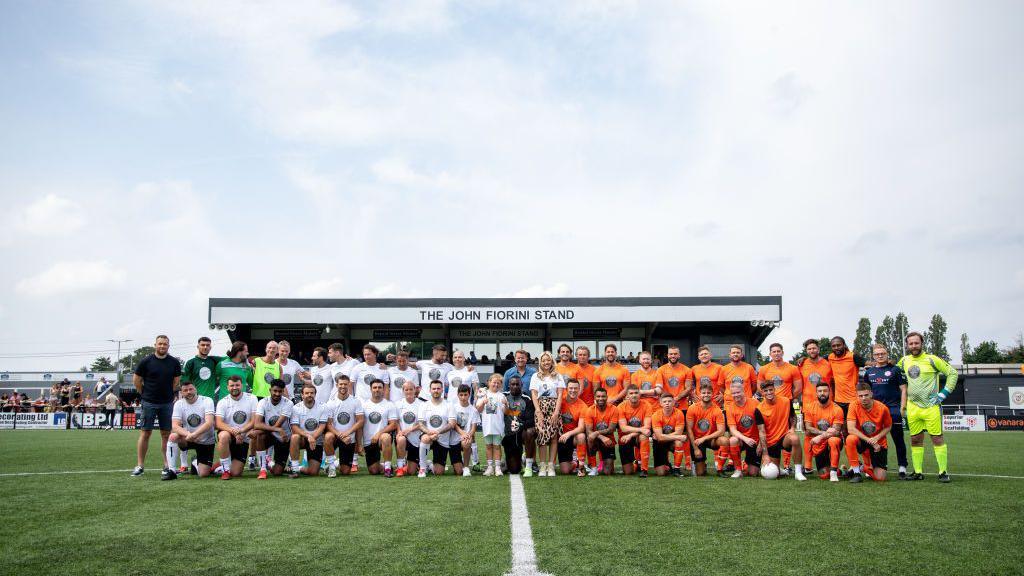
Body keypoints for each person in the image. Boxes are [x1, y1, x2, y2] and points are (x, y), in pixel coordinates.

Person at [897, 331, 958, 483]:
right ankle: (918, 472)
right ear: (907, 345)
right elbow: (894, 373)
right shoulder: (904, 361)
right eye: (910, 343)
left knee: (937, 439)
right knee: (915, 439)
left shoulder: (932, 359)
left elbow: (952, 373)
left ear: (922, 343)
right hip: (913, 407)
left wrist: (943, 394)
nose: (913, 346)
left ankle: (943, 472)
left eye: (916, 343)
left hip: (931, 406)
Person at [131, 335, 182, 480]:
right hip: (149, 402)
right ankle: (140, 465)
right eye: (160, 344)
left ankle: (167, 465)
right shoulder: (146, 361)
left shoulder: (174, 362)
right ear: (155, 345)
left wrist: (167, 394)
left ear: (168, 346)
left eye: (165, 344)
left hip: (166, 403)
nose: (162, 346)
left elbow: (176, 381)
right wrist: (144, 393)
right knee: (145, 433)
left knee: (166, 435)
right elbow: (137, 380)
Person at [863, 343, 909, 479]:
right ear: (873, 356)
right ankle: (876, 465)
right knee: (874, 440)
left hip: (893, 409)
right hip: (875, 412)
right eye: (877, 354)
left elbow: (904, 389)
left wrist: (902, 408)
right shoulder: (869, 372)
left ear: (887, 354)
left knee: (898, 439)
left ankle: (902, 467)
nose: (880, 356)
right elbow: (866, 392)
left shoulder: (895, 370)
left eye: (882, 353)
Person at [757, 343, 803, 471]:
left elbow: (798, 387)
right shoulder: (764, 369)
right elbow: (759, 386)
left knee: (789, 434)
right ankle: (778, 465)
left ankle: (789, 465)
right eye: (774, 351)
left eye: (778, 351)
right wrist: (769, 397)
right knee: (771, 434)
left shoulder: (792, 368)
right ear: (770, 354)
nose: (776, 353)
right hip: (769, 407)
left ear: (782, 352)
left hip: (785, 406)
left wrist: (786, 399)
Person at [754, 379, 807, 481]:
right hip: (771, 442)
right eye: (766, 391)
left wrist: (792, 428)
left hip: (784, 437)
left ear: (774, 389)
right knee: (774, 474)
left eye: (770, 390)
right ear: (762, 392)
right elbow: (761, 431)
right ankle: (780, 470)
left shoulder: (786, 401)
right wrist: (765, 454)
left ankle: (798, 473)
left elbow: (794, 416)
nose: (769, 393)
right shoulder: (759, 409)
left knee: (795, 439)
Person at [655, 345, 694, 471]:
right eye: (671, 354)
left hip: (682, 406)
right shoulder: (661, 370)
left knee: (685, 433)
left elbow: (688, 388)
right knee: (665, 434)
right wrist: (668, 401)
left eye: (675, 354)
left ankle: (688, 461)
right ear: (667, 355)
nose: (673, 356)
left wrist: (675, 399)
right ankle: (666, 462)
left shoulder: (687, 370)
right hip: (666, 406)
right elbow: (660, 388)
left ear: (679, 355)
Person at [846, 382, 893, 483]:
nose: (863, 398)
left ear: (871, 394)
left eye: (866, 395)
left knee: (880, 478)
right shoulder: (853, 405)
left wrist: (877, 438)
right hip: (863, 440)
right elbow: (851, 429)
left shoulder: (883, 408)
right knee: (850, 438)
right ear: (857, 396)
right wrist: (869, 440)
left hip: (878, 442)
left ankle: (863, 467)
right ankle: (856, 472)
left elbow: (888, 426)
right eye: (861, 396)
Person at [168, 380, 216, 478]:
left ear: (196, 389)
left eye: (191, 389)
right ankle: (171, 471)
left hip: (206, 441)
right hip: (188, 439)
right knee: (173, 436)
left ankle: (195, 462)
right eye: (185, 390)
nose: (188, 392)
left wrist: (194, 435)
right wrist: (189, 435)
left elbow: (209, 423)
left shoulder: (207, 400)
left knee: (203, 474)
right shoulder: (178, 404)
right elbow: (175, 426)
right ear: (181, 392)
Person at [214, 375, 258, 480]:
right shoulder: (223, 402)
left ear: (242, 385)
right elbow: (219, 424)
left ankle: (217, 466)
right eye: (232, 385)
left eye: (237, 385)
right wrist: (235, 432)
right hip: (229, 435)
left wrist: (241, 431)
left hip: (244, 437)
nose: (234, 388)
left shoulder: (252, 398)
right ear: (227, 387)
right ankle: (225, 470)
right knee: (223, 435)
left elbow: (254, 421)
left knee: (236, 473)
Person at [529, 351, 565, 477]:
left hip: (554, 407)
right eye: (543, 360)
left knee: (554, 437)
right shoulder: (535, 376)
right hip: (541, 407)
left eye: (548, 360)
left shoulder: (558, 376)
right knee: (542, 436)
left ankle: (551, 466)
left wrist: (556, 412)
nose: (546, 362)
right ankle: (542, 466)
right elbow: (534, 394)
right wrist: (538, 411)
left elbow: (560, 394)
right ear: (540, 362)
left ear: (552, 361)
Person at [802, 381, 844, 482]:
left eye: (825, 391)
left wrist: (820, 436)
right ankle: (842, 471)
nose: (822, 393)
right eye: (819, 391)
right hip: (818, 443)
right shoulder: (810, 407)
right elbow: (808, 429)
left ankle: (834, 472)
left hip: (833, 442)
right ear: (816, 393)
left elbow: (836, 431)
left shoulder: (837, 409)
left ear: (829, 392)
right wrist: (823, 434)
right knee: (824, 475)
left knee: (833, 439)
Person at [323, 374, 364, 477]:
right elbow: (329, 424)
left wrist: (347, 433)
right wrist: (341, 435)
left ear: (349, 385)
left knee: (345, 472)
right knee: (328, 436)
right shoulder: (330, 403)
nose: (343, 386)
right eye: (341, 384)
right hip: (336, 436)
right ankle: (331, 467)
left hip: (349, 438)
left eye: (345, 384)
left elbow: (360, 421)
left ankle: (334, 462)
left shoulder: (356, 401)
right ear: (337, 385)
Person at [685, 382, 729, 477]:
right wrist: (696, 449)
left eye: (708, 393)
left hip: (711, 439)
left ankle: (720, 469)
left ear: (712, 394)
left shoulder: (717, 410)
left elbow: (721, 431)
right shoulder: (692, 408)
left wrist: (705, 438)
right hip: (697, 440)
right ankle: (699, 464)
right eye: (703, 393)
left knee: (724, 440)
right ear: (699, 394)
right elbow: (689, 430)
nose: (706, 395)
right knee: (700, 473)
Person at [417, 380, 458, 477]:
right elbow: (421, 424)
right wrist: (430, 433)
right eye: (434, 388)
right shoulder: (424, 405)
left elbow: (452, 424)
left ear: (442, 390)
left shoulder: (449, 404)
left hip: (442, 439)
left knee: (439, 472)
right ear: (430, 390)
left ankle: (429, 464)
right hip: (429, 435)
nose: (436, 390)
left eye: (438, 388)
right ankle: (422, 469)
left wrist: (438, 432)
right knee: (425, 438)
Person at [254, 379, 293, 478]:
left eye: (280, 391)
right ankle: (263, 469)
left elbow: (278, 424)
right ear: (270, 390)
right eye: (275, 391)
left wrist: (277, 429)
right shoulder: (263, 402)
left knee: (277, 472)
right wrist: (278, 430)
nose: (277, 393)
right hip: (272, 435)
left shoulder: (288, 403)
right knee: (260, 434)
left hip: (284, 439)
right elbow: (257, 424)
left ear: (283, 391)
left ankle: (269, 462)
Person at [289, 383, 327, 478]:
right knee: (294, 437)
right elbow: (294, 427)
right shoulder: (296, 408)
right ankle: (294, 470)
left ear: (315, 394)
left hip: (316, 440)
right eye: (307, 393)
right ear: (302, 395)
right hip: (302, 439)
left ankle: (300, 468)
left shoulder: (323, 407)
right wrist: (308, 436)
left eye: (312, 393)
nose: (309, 395)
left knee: (313, 472)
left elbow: (322, 427)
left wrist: (313, 437)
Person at [361, 379, 398, 477]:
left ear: (383, 389)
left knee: (386, 437)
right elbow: (360, 426)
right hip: (369, 442)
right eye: (374, 387)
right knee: (374, 471)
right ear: (370, 389)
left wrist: (379, 434)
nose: (377, 389)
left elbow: (393, 424)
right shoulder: (364, 405)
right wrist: (359, 444)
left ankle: (388, 468)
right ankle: (382, 466)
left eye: (379, 387)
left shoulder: (389, 405)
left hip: (382, 439)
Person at [725, 380, 761, 478]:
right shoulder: (730, 408)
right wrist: (745, 439)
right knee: (733, 440)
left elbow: (762, 426)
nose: (736, 395)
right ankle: (738, 470)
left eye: (738, 392)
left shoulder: (755, 403)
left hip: (755, 440)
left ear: (743, 391)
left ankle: (746, 463)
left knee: (753, 473)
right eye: (733, 393)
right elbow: (732, 430)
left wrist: (761, 443)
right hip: (742, 440)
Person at [503, 376, 537, 475]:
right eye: (512, 384)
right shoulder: (502, 396)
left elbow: (531, 420)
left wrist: (520, 425)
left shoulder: (527, 399)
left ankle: (529, 466)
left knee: (530, 432)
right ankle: (512, 459)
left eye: (517, 384)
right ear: (509, 385)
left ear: (521, 385)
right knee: (514, 470)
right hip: (508, 435)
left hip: (522, 433)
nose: (515, 386)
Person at [476, 374, 508, 476]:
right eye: (494, 382)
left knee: (497, 447)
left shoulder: (502, 396)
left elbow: (506, 412)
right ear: (489, 383)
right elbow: (478, 409)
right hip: (487, 426)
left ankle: (498, 468)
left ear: (501, 385)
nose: (496, 384)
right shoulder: (483, 394)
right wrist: (482, 403)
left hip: (498, 426)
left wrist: (506, 404)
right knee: (488, 446)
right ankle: (490, 467)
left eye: (498, 383)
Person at [828, 336, 866, 419]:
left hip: (853, 400)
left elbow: (867, 363)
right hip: (838, 400)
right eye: (834, 346)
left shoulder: (853, 357)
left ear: (844, 345)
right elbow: (817, 360)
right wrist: (804, 358)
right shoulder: (830, 357)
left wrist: (886, 362)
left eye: (839, 345)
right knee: (840, 427)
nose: (836, 348)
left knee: (853, 426)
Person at [555, 378, 588, 477]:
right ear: (566, 389)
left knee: (581, 436)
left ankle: (581, 464)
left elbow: (581, 427)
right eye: (571, 388)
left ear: (579, 389)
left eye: (575, 388)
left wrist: (568, 433)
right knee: (565, 471)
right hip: (561, 438)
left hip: (573, 437)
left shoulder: (583, 406)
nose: (573, 391)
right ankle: (574, 463)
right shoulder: (560, 402)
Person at [617, 385, 652, 477]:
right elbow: (623, 428)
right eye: (631, 393)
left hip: (636, 436)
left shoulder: (647, 405)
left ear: (640, 394)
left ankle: (644, 470)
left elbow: (647, 427)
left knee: (644, 436)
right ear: (627, 396)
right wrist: (640, 429)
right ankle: (635, 463)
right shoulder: (621, 407)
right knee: (628, 472)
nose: (634, 395)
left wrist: (631, 435)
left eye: (636, 393)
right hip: (624, 438)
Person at [651, 392, 688, 477]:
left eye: (669, 401)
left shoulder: (679, 413)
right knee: (661, 473)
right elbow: (660, 438)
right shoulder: (656, 415)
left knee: (679, 442)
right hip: (659, 443)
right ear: (660, 403)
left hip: (672, 442)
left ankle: (677, 469)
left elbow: (678, 432)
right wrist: (678, 436)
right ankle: (667, 464)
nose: (667, 403)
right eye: (664, 402)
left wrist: (663, 436)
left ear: (674, 402)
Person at [585, 387, 619, 476]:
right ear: (595, 397)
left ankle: (606, 463)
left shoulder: (614, 409)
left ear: (607, 397)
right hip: (596, 439)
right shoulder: (590, 410)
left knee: (608, 472)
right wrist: (599, 435)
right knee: (590, 437)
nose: (601, 398)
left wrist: (596, 433)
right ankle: (593, 467)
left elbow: (611, 429)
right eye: (598, 396)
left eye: (603, 396)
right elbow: (589, 431)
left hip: (608, 440)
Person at [394, 380, 425, 477]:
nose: (408, 392)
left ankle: (425, 464)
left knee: (411, 472)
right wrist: (399, 431)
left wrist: (410, 429)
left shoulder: (421, 404)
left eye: (411, 389)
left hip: (416, 440)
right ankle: (400, 467)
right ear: (403, 391)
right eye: (406, 390)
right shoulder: (398, 404)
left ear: (415, 390)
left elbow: (422, 423)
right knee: (401, 439)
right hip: (403, 437)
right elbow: (396, 421)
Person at [449, 384, 480, 477]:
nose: (463, 397)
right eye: (461, 395)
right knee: (458, 472)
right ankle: (460, 464)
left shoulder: (473, 410)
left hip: (466, 438)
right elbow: (453, 424)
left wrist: (467, 435)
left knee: (467, 442)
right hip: (453, 441)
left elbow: (473, 428)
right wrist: (462, 433)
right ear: (458, 395)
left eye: (465, 395)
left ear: (469, 395)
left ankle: (466, 467)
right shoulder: (453, 407)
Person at [797, 339, 833, 410]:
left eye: (814, 348)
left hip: (825, 403)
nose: (812, 351)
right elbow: (798, 386)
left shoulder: (828, 364)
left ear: (818, 349)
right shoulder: (801, 365)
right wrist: (799, 404)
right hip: (808, 404)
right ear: (806, 351)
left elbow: (834, 383)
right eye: (809, 349)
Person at [181, 336, 220, 401]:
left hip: (210, 400)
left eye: (207, 345)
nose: (205, 347)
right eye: (203, 345)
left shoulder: (214, 360)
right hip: (195, 399)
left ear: (210, 347)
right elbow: (184, 382)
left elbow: (230, 358)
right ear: (198, 346)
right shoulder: (191, 363)